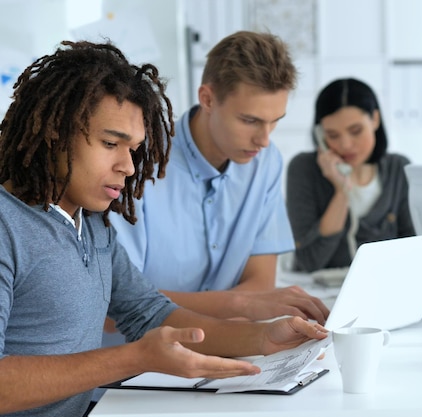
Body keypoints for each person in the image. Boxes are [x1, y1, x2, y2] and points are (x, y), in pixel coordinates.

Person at [0, 40, 327, 417]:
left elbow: (151, 313)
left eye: (134, 150)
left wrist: (263, 337)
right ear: (54, 132)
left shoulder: (90, 225)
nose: (129, 166)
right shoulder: (8, 227)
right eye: (111, 143)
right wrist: (133, 358)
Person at [108, 31, 329, 324]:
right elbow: (113, 306)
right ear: (208, 99)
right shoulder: (135, 158)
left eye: (274, 122)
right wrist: (237, 305)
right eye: (250, 121)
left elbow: (260, 282)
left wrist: (237, 317)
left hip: (221, 347)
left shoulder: (266, 161)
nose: (264, 139)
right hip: (138, 360)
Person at [286, 78, 415, 272]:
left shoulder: (399, 169)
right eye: (332, 135)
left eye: (356, 131)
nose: (345, 145)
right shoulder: (303, 168)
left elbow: (415, 251)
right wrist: (341, 192)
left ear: (375, 119)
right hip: (321, 294)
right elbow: (308, 262)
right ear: (320, 135)